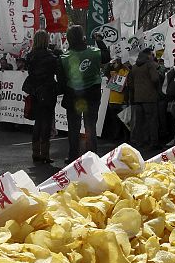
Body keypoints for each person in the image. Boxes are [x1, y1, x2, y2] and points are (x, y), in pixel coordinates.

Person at [58, 25, 110, 162]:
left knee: (73, 127)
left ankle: (73, 156)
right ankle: (92, 156)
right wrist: (99, 40)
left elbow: (61, 81)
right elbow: (107, 57)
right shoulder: (95, 52)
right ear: (83, 37)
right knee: (90, 126)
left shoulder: (64, 57)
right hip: (92, 94)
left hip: (73, 95)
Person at [23, 30, 60, 164]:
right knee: (46, 122)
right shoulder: (51, 57)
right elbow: (56, 71)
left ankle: (35, 153)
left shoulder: (30, 56)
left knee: (37, 122)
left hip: (34, 91)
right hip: (48, 91)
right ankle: (45, 154)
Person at [127, 48, 160, 150]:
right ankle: (153, 143)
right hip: (150, 98)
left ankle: (139, 142)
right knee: (152, 121)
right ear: (149, 55)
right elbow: (155, 79)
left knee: (139, 122)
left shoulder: (134, 67)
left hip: (137, 98)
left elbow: (130, 83)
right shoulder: (150, 65)